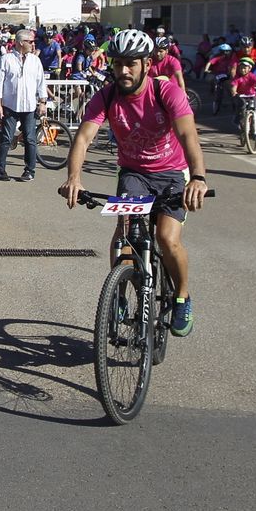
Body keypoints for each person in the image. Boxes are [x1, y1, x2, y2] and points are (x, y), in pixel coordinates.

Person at [59, 29, 208, 338]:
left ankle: (182, 297)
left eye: (131, 64)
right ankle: (122, 295)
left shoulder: (165, 92)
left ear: (146, 64)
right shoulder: (107, 96)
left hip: (171, 174)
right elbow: (84, 138)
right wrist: (74, 177)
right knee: (124, 236)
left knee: (167, 239)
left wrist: (198, 177)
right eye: (118, 64)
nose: (123, 71)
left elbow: (187, 135)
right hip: (134, 174)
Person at [0, 28, 46, 181]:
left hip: (29, 106)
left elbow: (41, 82)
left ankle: (30, 170)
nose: (33, 44)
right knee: (6, 139)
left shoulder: (35, 60)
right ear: (21, 43)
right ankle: (0, 170)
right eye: (30, 42)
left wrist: (42, 102)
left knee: (30, 139)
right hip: (10, 105)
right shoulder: (6, 59)